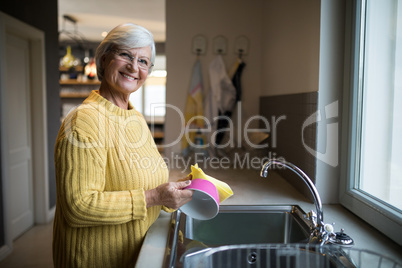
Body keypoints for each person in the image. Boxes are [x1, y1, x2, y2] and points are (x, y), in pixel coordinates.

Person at [53, 23, 193, 268]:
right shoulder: (82, 122)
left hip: (136, 253)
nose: (133, 67)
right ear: (104, 59)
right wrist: (153, 197)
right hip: (96, 260)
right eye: (126, 55)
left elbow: (141, 176)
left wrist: (172, 192)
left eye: (143, 61)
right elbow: (78, 206)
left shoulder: (134, 117)